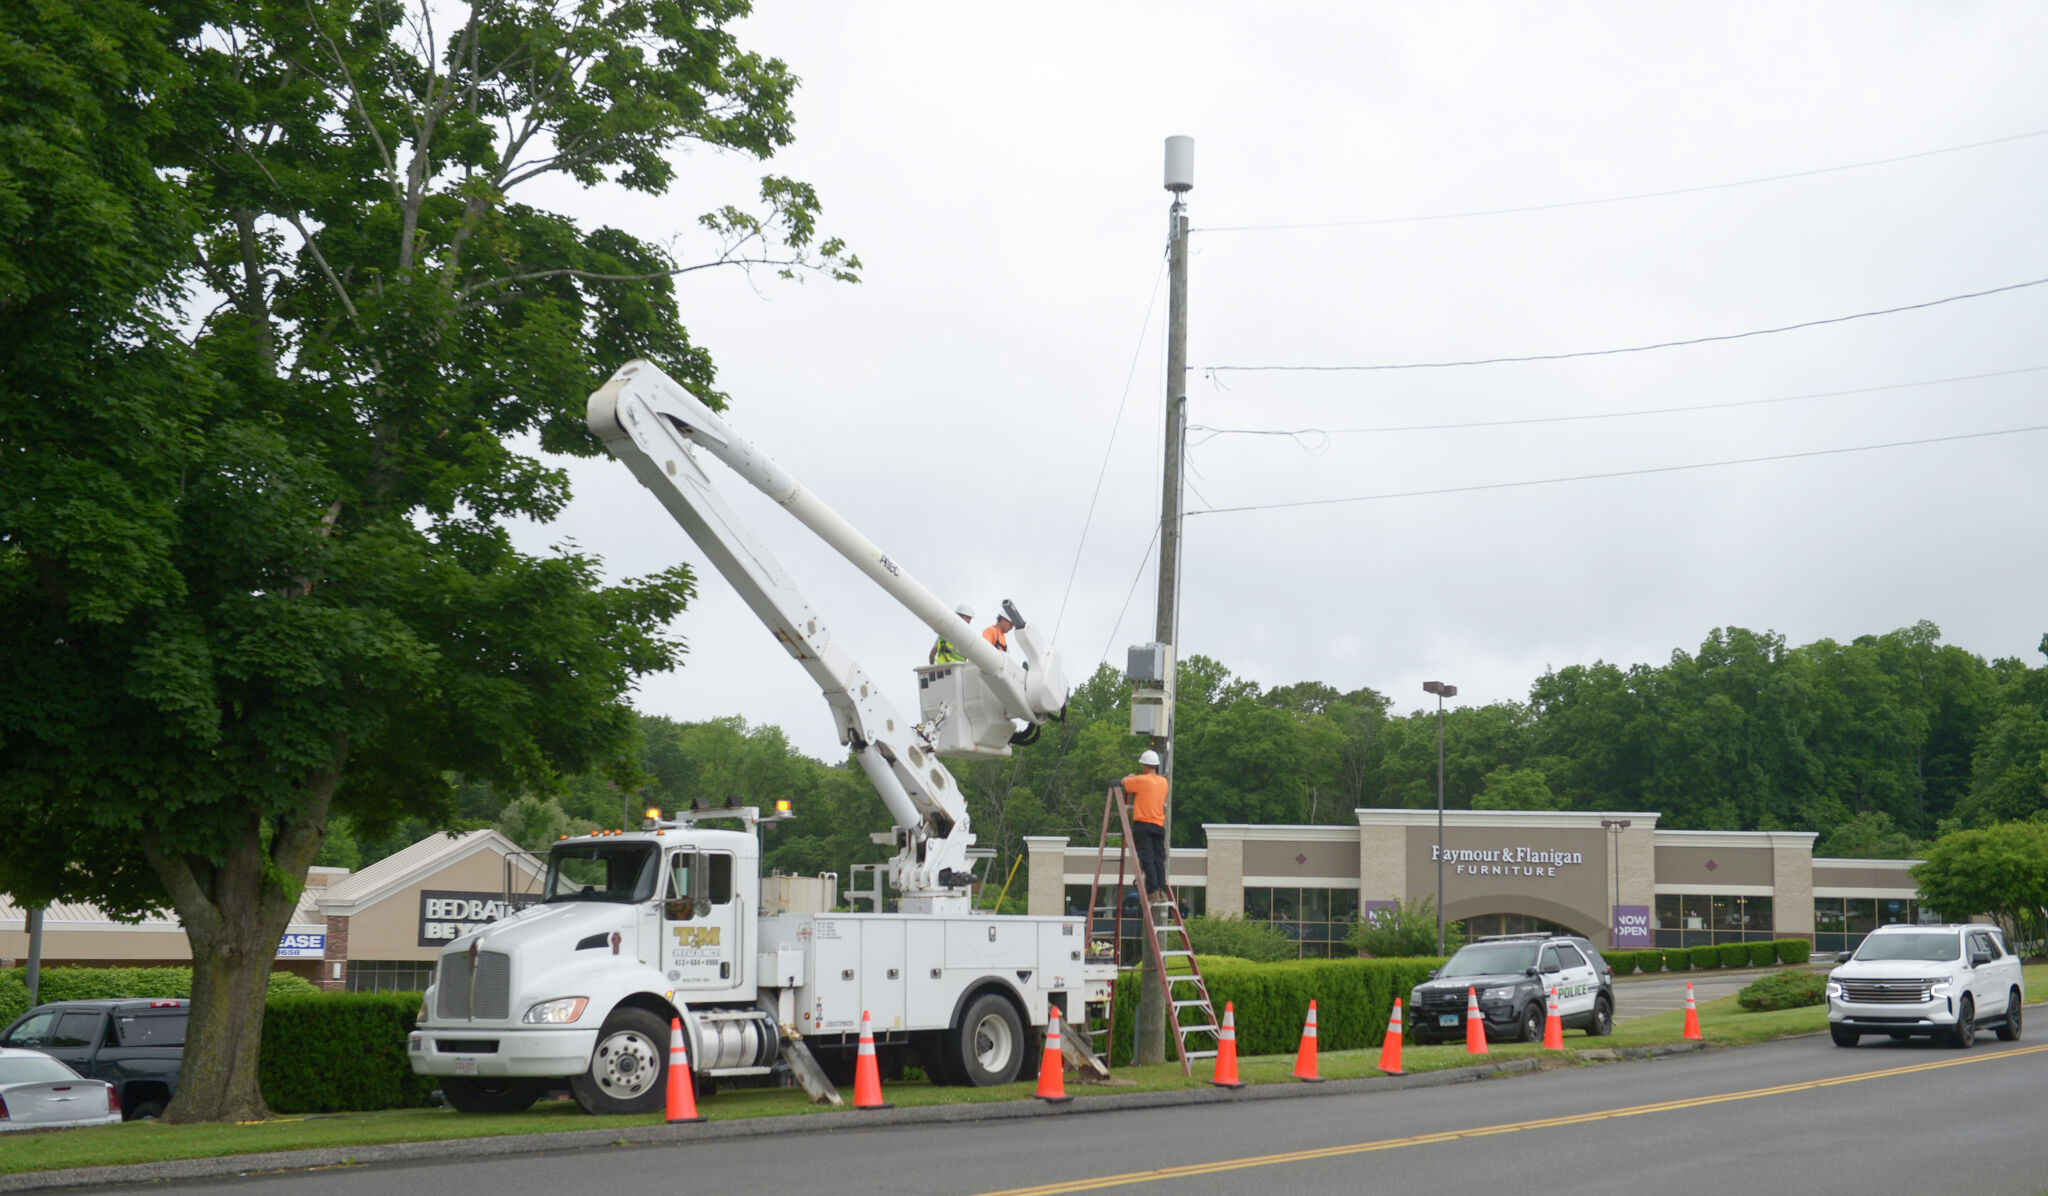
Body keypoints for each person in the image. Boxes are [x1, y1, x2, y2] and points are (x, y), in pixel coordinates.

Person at [1122, 749, 1171, 904]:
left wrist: (1129, 777)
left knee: (1147, 857)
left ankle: (1152, 890)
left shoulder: (1141, 780)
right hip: (1158, 824)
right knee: (1159, 858)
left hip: (1143, 824)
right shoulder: (1164, 782)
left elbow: (1125, 783)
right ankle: (1161, 890)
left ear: (1145, 765)